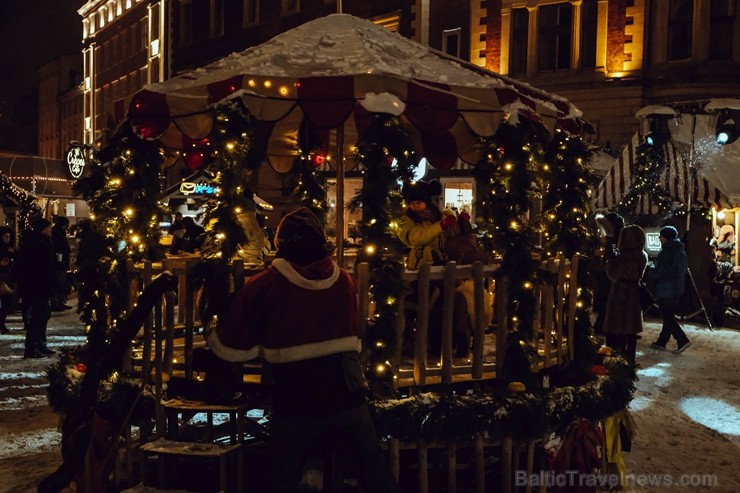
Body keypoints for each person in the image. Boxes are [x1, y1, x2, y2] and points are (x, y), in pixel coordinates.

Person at [206, 207, 400, 493]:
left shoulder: (265, 284)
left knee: (284, 473)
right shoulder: (343, 280)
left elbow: (236, 345)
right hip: (346, 387)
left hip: (297, 393)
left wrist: (212, 326)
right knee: (372, 469)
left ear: (281, 244)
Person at [602, 224, 648, 364]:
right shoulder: (642, 256)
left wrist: (609, 262)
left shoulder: (624, 257)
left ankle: (617, 359)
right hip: (634, 293)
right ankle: (630, 357)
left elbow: (614, 275)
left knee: (617, 327)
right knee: (630, 330)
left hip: (620, 295)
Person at [16, 217, 62, 358]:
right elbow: (44, 268)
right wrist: (55, 283)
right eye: (48, 228)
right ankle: (32, 348)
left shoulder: (38, 243)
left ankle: (40, 344)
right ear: (43, 229)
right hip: (38, 286)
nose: (50, 231)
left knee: (43, 314)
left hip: (37, 286)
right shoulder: (39, 245)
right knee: (39, 316)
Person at [646, 225, 691, 354]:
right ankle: (662, 341)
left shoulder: (666, 252)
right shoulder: (680, 250)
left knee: (667, 316)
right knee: (669, 315)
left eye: (661, 236)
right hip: (677, 288)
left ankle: (682, 339)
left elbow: (659, 272)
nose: (659, 238)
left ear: (666, 237)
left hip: (667, 288)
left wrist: (649, 269)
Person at [396, 179, 457, 269]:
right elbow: (417, 238)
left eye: (418, 203)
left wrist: (459, 221)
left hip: (440, 262)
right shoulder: (408, 219)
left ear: (426, 203)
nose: (415, 206)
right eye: (412, 203)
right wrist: (441, 225)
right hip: (420, 264)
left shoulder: (437, 216)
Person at [593, 212, 625, 335]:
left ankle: (602, 326)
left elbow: (611, 256)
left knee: (605, 301)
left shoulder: (613, 240)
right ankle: (602, 325)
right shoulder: (615, 239)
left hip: (606, 274)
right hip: (606, 274)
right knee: (605, 301)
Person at [50, 216, 72, 311]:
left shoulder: (58, 232)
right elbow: (59, 249)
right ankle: (56, 303)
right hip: (59, 262)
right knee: (58, 282)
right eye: (66, 225)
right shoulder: (57, 234)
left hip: (61, 261)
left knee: (61, 282)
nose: (67, 227)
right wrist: (60, 261)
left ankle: (60, 302)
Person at [0, 226, 16, 334]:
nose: (8, 238)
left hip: (8, 276)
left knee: (6, 302)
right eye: (6, 236)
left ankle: (2, 323)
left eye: (9, 236)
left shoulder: (10, 248)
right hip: (2, 276)